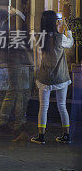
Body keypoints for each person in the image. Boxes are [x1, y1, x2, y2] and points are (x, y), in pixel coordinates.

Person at [31, 10, 74, 144]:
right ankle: (66, 135)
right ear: (55, 21)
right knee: (62, 106)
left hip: (44, 77)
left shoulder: (39, 38)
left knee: (43, 106)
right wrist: (66, 27)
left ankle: (41, 136)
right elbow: (71, 43)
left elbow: (37, 59)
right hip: (61, 77)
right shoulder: (60, 38)